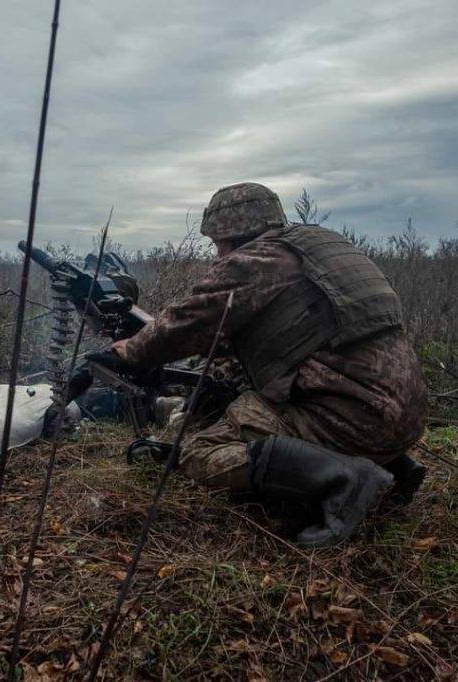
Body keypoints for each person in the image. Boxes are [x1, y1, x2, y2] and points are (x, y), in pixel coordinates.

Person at [109, 182, 429, 547]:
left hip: (354, 418)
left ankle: (348, 479)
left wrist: (131, 350)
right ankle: (392, 464)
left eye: (217, 244)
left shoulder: (257, 261)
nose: (217, 255)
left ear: (231, 235)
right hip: (404, 413)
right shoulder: (318, 246)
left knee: (199, 452)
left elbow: (190, 321)